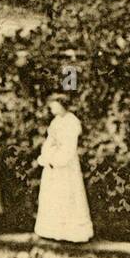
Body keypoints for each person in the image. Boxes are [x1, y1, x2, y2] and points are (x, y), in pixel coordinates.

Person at [34, 92, 93, 243]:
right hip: (52, 163)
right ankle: (52, 230)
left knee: (67, 195)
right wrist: (46, 157)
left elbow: (69, 146)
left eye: (54, 104)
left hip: (65, 165)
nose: (51, 107)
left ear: (61, 104)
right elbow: (49, 141)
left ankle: (70, 233)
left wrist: (57, 160)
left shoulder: (71, 122)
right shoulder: (55, 121)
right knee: (53, 196)